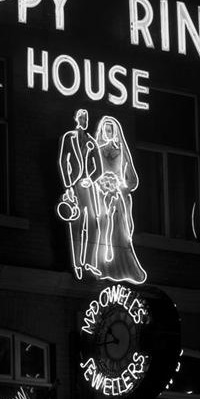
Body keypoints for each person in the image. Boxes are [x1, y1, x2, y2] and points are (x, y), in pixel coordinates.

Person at [94, 116, 147, 284]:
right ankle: (102, 267)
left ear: (115, 132)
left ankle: (124, 269)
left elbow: (133, 180)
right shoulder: (97, 151)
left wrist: (122, 187)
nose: (108, 132)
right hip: (101, 197)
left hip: (117, 199)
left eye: (111, 130)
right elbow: (91, 173)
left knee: (120, 234)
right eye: (105, 129)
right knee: (102, 230)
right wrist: (100, 185)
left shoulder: (122, 152)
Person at [57, 109, 103, 279]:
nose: (84, 120)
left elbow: (99, 168)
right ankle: (77, 264)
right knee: (75, 224)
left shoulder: (91, 141)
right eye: (82, 118)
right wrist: (68, 185)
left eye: (86, 118)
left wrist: (91, 179)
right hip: (74, 185)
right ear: (76, 118)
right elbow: (63, 161)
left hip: (88, 186)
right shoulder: (69, 137)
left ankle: (89, 263)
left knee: (93, 223)